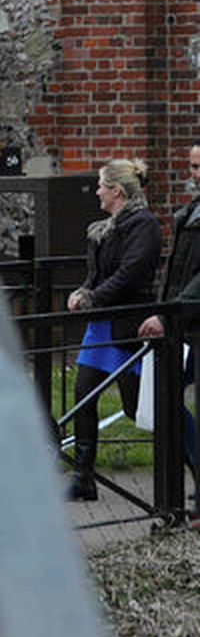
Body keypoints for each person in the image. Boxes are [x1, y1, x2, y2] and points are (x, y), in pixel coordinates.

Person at [66, 158, 162, 501]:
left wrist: (93, 298)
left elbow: (129, 275)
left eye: (101, 185)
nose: (96, 191)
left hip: (125, 325)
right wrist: (82, 291)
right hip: (101, 327)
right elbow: (98, 275)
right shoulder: (103, 230)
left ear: (117, 191)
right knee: (83, 396)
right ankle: (83, 476)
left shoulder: (144, 226)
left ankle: (185, 467)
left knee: (139, 406)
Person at [136, 138, 199, 517]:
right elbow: (175, 274)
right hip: (182, 326)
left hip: (189, 322)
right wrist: (162, 311)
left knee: (172, 401)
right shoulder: (188, 213)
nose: (196, 174)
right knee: (167, 401)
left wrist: (167, 314)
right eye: (192, 167)